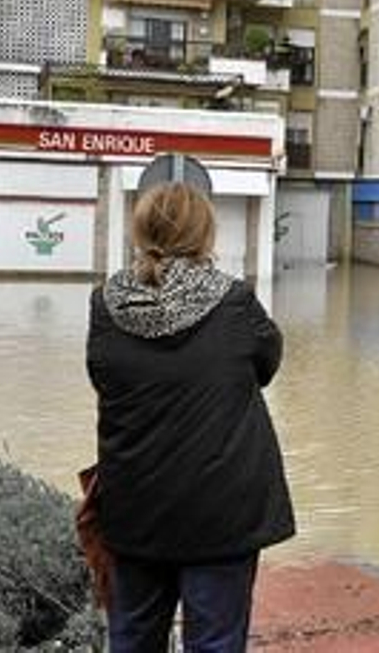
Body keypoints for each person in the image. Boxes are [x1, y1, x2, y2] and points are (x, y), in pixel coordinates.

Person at [86, 181, 294, 652]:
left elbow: (103, 379)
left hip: (135, 505)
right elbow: (267, 363)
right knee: (216, 643)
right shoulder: (234, 301)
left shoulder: (105, 302)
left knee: (133, 638)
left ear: (140, 231)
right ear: (205, 236)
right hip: (223, 512)